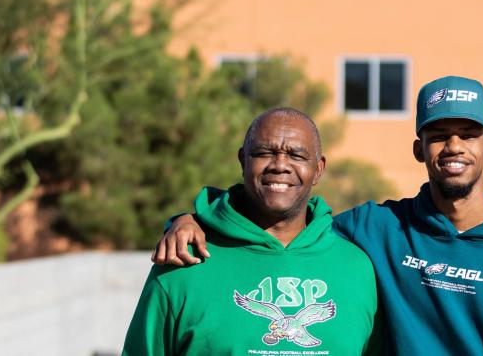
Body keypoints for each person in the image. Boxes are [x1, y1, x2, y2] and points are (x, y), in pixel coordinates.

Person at [156, 76, 483, 355]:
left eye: (469, 134)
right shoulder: (380, 229)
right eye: (438, 135)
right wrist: (193, 218)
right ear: (419, 149)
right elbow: (287, 216)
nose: (454, 147)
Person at [123, 108, 381, 355]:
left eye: (296, 155)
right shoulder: (183, 262)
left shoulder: (358, 268)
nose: (280, 165)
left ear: (318, 169)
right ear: (242, 160)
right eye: (264, 153)